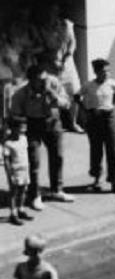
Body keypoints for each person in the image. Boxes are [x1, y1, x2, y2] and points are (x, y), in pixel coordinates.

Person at [9, 65, 73, 209]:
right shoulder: (21, 94)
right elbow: (14, 116)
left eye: (46, 79)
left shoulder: (54, 84)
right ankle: (34, 195)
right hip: (33, 125)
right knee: (34, 162)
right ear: (31, 81)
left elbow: (67, 104)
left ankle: (57, 189)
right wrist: (23, 126)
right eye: (40, 80)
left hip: (53, 122)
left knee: (58, 157)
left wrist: (55, 97)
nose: (45, 83)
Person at [81, 57, 115, 195]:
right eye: (103, 71)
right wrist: (86, 110)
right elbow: (77, 96)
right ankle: (96, 180)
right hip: (94, 118)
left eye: (108, 71)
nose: (106, 74)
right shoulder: (88, 85)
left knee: (112, 150)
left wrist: (111, 107)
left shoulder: (113, 84)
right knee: (96, 150)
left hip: (108, 118)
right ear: (96, 71)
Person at [38, 7, 82, 134]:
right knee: (53, 95)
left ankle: (73, 123)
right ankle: (56, 125)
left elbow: (72, 43)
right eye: (49, 13)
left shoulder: (66, 24)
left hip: (66, 64)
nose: (52, 15)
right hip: (50, 65)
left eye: (54, 12)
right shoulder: (42, 29)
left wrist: (66, 57)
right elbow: (41, 48)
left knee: (74, 92)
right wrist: (52, 60)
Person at [3, 117, 31, 224]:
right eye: (20, 128)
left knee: (23, 190)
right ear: (13, 128)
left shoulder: (24, 139)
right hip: (15, 171)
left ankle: (21, 209)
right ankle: (13, 214)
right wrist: (9, 174)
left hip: (25, 168)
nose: (22, 131)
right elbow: (6, 160)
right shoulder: (8, 143)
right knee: (13, 193)